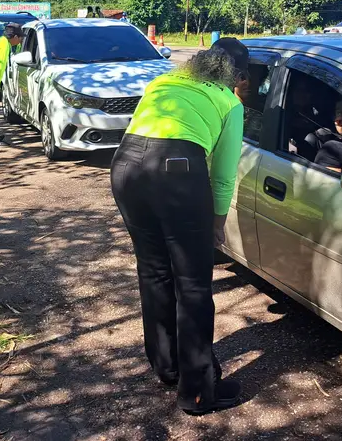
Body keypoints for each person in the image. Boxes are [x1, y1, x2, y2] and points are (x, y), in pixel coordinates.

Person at [110, 37, 249, 416]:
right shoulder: (229, 102)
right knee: (193, 286)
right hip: (177, 172)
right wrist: (217, 223)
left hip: (125, 166)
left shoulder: (163, 82)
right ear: (236, 76)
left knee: (154, 271)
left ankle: (167, 366)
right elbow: (223, 176)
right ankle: (198, 392)